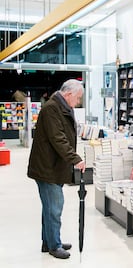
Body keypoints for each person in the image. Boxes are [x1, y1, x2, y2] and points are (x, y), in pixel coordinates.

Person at [27, 79, 86, 259]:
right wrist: (75, 159)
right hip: (48, 168)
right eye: (77, 99)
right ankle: (54, 245)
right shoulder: (52, 109)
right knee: (54, 208)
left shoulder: (60, 107)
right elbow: (58, 138)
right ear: (68, 94)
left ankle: (50, 241)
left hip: (52, 166)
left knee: (50, 207)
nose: (77, 103)